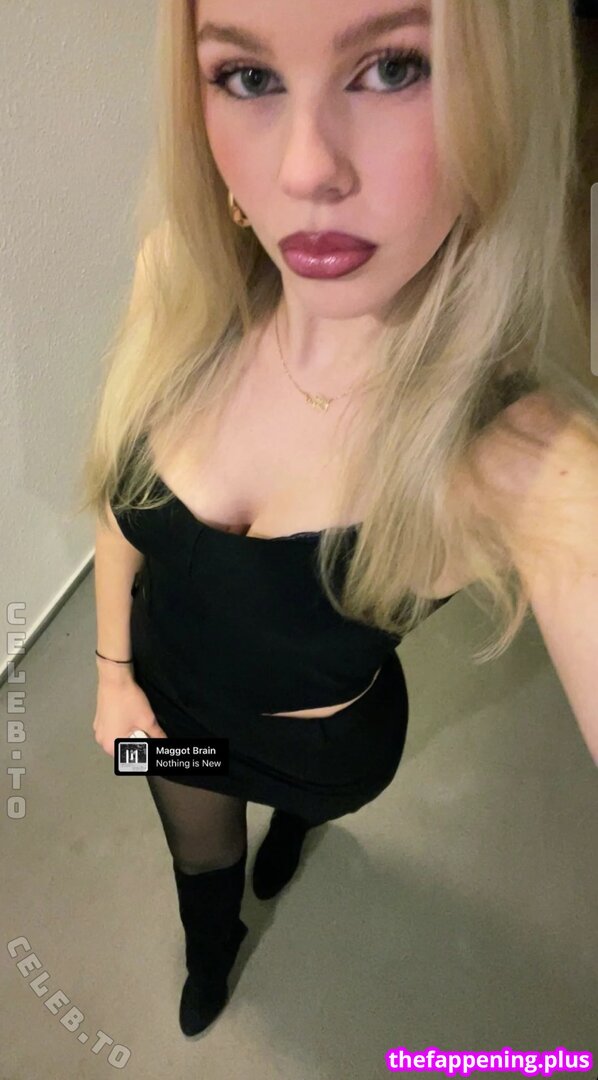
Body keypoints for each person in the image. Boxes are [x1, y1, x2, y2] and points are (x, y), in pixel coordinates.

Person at [81, 0, 597, 1041]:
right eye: (249, 77)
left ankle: (296, 834)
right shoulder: (175, 282)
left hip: (320, 754)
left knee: (297, 822)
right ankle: (213, 952)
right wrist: (110, 677)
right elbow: (119, 513)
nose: (307, 168)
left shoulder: (514, 461)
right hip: (162, 714)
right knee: (197, 859)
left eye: (395, 67)